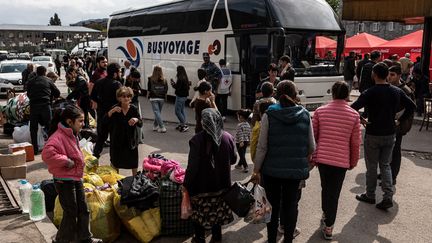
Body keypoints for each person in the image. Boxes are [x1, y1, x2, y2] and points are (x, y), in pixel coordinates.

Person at [251, 80, 315, 243]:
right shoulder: (305, 114)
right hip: (294, 172)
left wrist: (256, 170)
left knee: (272, 206)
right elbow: (312, 147)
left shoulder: (269, 114)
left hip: (271, 171)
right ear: (295, 95)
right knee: (291, 205)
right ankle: (288, 240)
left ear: (276, 95)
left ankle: (271, 239)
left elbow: (262, 147)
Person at [351, 62, 416, 210]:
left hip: (373, 132)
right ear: (387, 75)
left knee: (372, 166)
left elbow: (353, 108)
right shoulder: (396, 91)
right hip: (390, 132)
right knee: (385, 165)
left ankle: (370, 194)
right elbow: (412, 106)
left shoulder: (369, 92)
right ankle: (388, 195)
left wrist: (361, 119)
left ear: (374, 74)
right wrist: (399, 120)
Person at [42, 105, 102, 243]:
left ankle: (85, 238)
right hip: (64, 180)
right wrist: (66, 161)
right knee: (71, 212)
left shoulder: (71, 134)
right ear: (69, 122)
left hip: (75, 177)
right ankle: (61, 240)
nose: (83, 124)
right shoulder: (57, 137)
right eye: (80, 121)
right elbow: (47, 155)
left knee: (83, 209)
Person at [312, 81, 361, 240]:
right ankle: (329, 226)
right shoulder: (354, 115)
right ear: (347, 94)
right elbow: (355, 142)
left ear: (332, 93)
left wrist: (313, 158)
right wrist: (353, 161)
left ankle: (326, 216)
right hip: (341, 161)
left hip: (323, 159)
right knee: (334, 193)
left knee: (326, 189)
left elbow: (314, 137)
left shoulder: (320, 111)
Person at [183, 108, 237, 243]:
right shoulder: (227, 137)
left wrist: (186, 185)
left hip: (201, 187)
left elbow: (192, 167)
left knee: (199, 213)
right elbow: (234, 160)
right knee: (216, 214)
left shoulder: (196, 140)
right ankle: (216, 238)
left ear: (203, 122)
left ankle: (199, 238)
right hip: (221, 185)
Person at [386, 65, 415, 185]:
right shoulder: (389, 87)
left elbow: (410, 109)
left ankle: (392, 176)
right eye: (389, 74)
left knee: (395, 150)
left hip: (398, 125)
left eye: (392, 75)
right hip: (389, 124)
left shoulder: (405, 90)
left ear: (399, 76)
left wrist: (400, 120)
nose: (389, 77)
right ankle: (386, 173)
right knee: (387, 151)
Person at [106, 87, 142, 176]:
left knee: (133, 162)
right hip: (117, 140)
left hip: (131, 140)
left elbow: (141, 123)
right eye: (123, 96)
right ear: (119, 98)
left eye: (128, 96)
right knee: (116, 162)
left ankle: (135, 179)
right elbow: (105, 121)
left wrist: (136, 119)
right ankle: (116, 181)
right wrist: (111, 111)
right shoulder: (115, 108)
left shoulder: (133, 108)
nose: (126, 98)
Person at [90, 63, 123, 158]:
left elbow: (92, 96)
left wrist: (100, 103)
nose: (121, 73)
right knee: (114, 138)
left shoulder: (99, 82)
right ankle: (114, 161)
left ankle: (95, 158)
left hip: (101, 114)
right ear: (115, 74)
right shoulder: (117, 84)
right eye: (120, 71)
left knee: (100, 138)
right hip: (114, 115)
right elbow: (121, 99)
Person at [26, 65, 61, 154]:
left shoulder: (30, 81)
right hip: (45, 106)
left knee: (33, 129)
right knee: (50, 127)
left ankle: (35, 150)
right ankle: (51, 148)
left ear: (36, 73)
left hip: (34, 107)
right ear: (45, 72)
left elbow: (28, 94)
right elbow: (57, 93)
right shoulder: (48, 81)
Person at [125, 68, 144, 143]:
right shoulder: (126, 81)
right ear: (132, 77)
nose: (137, 80)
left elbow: (139, 90)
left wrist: (137, 91)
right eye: (136, 79)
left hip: (135, 102)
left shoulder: (135, 81)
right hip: (128, 103)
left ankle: (139, 138)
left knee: (137, 120)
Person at [147, 65, 168, 133]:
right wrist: (165, 97)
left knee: (157, 112)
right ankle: (155, 126)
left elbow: (149, 89)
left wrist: (148, 96)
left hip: (153, 97)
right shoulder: (164, 79)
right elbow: (166, 89)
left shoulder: (150, 79)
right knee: (158, 112)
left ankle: (162, 127)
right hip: (161, 98)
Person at [171, 65, 191, 132]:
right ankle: (182, 124)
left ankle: (184, 125)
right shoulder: (185, 77)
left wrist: (173, 84)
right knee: (182, 110)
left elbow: (177, 87)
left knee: (177, 111)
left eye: (177, 70)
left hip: (180, 96)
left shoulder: (180, 78)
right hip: (184, 96)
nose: (176, 72)